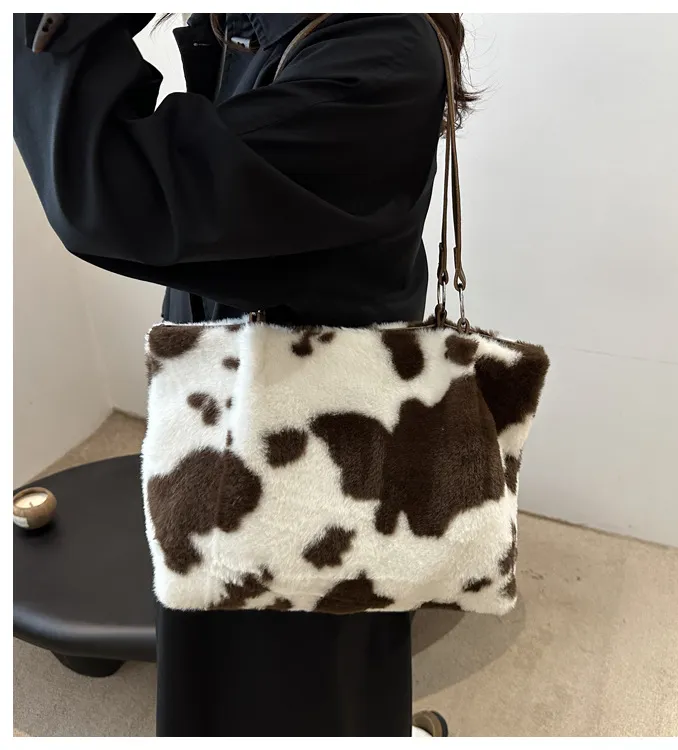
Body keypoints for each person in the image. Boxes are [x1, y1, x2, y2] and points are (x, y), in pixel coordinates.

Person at [14, 12, 475, 738]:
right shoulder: (264, 22)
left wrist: (56, 25)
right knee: (237, 629)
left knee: (301, 648)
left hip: (316, 426)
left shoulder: (378, 48)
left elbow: (109, 192)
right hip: (229, 393)